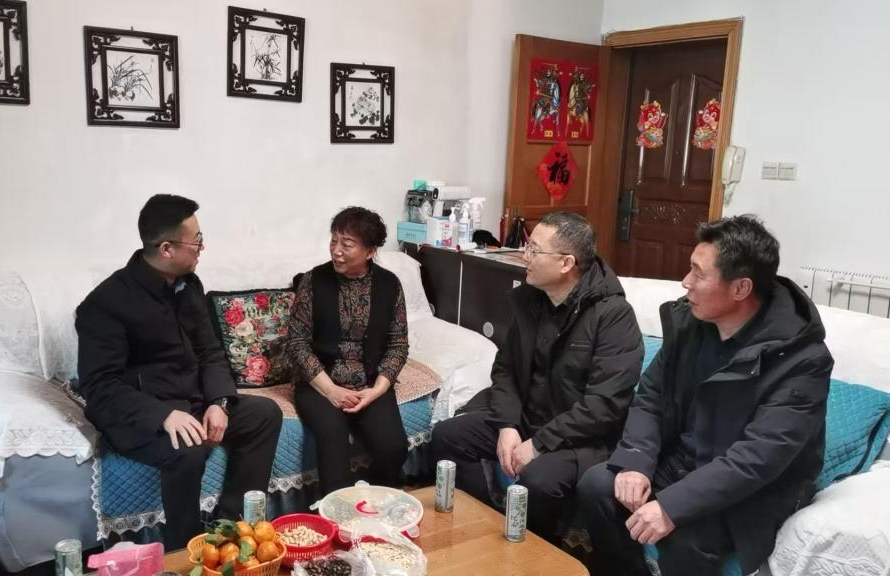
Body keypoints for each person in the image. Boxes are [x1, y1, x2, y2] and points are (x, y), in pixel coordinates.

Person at [576, 215, 833, 576]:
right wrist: (635, 461)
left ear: (740, 288)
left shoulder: (802, 360)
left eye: (698, 273)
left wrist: (671, 506)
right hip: (682, 463)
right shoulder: (691, 324)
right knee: (598, 486)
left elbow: (758, 458)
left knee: (685, 538)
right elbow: (651, 396)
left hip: (748, 489)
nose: (686, 282)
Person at [75, 194, 282, 549]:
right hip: (142, 413)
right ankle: (185, 550)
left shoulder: (189, 285)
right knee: (188, 448)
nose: (202, 248)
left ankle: (230, 530)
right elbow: (100, 386)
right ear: (167, 249)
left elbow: (209, 351)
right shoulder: (105, 304)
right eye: (196, 241)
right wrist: (162, 415)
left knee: (264, 414)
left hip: (193, 401)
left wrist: (219, 401)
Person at [430, 211, 644, 540]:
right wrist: (507, 425)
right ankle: (485, 528)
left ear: (566, 263)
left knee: (538, 480)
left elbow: (603, 406)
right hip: (529, 419)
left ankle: (538, 552)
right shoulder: (532, 299)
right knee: (449, 436)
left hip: (580, 439)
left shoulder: (613, 316)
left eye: (534, 250)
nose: (524, 256)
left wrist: (539, 445)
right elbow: (505, 369)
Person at [286, 207, 410, 496]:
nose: (336, 250)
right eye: (334, 241)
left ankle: (378, 505)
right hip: (320, 383)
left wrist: (377, 390)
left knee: (393, 447)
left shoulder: (389, 284)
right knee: (333, 439)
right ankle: (337, 514)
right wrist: (331, 391)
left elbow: (398, 345)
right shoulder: (314, 281)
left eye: (347, 244)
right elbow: (297, 343)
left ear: (370, 251)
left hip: (369, 383)